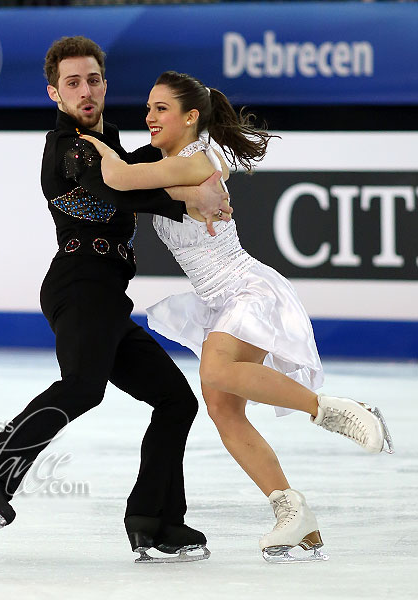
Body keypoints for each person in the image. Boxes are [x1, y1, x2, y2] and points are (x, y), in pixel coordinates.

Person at [0, 39, 231, 564]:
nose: (85, 90)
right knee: (82, 386)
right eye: (72, 83)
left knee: (175, 401)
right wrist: (186, 196)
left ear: (104, 83)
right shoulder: (70, 147)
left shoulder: (109, 139)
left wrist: (193, 148)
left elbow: (143, 165)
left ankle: (154, 521)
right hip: (79, 284)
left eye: (93, 79)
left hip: (106, 294)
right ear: (55, 92)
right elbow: (114, 189)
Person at [81, 70, 394, 563]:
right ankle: (295, 515)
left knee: (218, 372)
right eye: (148, 108)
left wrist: (97, 147)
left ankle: (333, 411)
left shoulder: (192, 159)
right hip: (216, 301)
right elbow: (147, 192)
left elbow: (118, 180)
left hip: (245, 290)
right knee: (224, 410)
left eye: (161, 109)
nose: (149, 117)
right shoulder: (170, 165)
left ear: (190, 117)